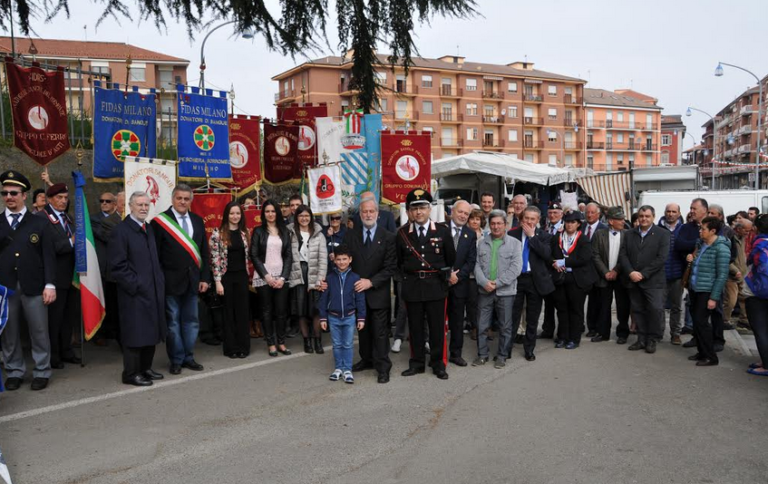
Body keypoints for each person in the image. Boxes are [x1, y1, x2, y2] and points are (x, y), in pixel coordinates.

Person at [0, 170, 56, 391]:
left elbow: (49, 257)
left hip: (34, 285)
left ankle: (42, 371)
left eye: (14, 192)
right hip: (5, 288)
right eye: (5, 193)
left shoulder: (39, 223)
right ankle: (14, 370)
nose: (9, 197)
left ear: (24, 195)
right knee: (9, 332)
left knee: (39, 330)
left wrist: (50, 284)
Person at [397, 188, 456, 380]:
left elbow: (450, 258)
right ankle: (417, 363)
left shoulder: (442, 231)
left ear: (429, 209)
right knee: (415, 328)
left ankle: (438, 364)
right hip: (413, 286)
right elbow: (399, 262)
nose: (419, 212)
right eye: (414, 208)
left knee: (437, 327)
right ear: (410, 211)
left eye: (422, 207)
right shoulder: (402, 233)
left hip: (436, 286)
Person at [152, 184, 210, 375]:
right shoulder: (160, 222)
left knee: (192, 321)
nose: (183, 202)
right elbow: (156, 257)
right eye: (179, 198)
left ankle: (189, 357)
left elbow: (203, 252)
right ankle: (176, 359)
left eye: (186, 199)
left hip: (193, 282)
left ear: (190, 200)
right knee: (173, 324)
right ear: (172, 199)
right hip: (170, 282)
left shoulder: (198, 221)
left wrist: (204, 278)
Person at [109, 191, 166, 387]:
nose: (143, 208)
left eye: (146, 204)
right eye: (139, 204)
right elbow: (117, 265)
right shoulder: (121, 231)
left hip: (152, 291)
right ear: (130, 206)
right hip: (133, 293)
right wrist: (136, 284)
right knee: (135, 333)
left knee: (150, 331)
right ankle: (131, 373)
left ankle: (145, 368)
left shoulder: (148, 228)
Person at [344, 197, 397, 383]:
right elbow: (345, 263)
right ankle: (366, 359)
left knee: (380, 332)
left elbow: (390, 267)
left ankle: (383, 366)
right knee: (363, 330)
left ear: (378, 213)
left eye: (371, 211)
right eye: (364, 211)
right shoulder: (351, 235)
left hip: (378, 292)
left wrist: (370, 282)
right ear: (360, 214)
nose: (368, 214)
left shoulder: (388, 237)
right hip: (357, 292)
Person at [38, 182, 81, 368]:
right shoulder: (41, 218)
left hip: (72, 276)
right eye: (59, 198)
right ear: (49, 199)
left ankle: (66, 351)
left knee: (68, 318)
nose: (63, 201)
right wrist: (71, 242)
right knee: (54, 320)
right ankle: (53, 355)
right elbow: (47, 249)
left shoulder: (68, 218)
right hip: (54, 277)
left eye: (65, 198)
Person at [472, 210, 522, 367]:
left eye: (499, 223)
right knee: (481, 325)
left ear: (505, 225)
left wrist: (497, 283)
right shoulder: (482, 242)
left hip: (505, 292)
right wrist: (483, 282)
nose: (496, 226)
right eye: (493, 223)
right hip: (484, 290)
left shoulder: (515, 244)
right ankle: (482, 354)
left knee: (505, 326)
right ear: (489, 225)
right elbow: (476, 265)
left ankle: (502, 355)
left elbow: (516, 268)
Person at [620, 205, 671, 354]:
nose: (644, 219)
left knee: (655, 310)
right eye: (641, 216)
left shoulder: (663, 234)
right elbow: (623, 255)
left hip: (653, 281)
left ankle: (652, 340)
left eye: (647, 216)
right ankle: (641, 339)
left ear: (653, 217)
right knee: (638, 310)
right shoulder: (629, 234)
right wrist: (630, 272)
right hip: (633, 280)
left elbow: (661, 258)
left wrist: (642, 274)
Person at [508, 205, 553, 361]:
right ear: (521, 218)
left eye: (532, 219)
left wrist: (532, 237)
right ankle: (506, 349)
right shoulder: (512, 233)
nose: (528, 221)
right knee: (512, 316)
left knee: (532, 318)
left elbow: (547, 255)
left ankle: (529, 349)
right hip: (516, 279)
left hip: (535, 281)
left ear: (538, 220)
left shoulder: (544, 236)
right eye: (526, 218)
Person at [318, 244, 366, 384]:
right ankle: (338, 368)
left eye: (345, 259)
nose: (342, 262)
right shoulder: (329, 278)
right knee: (337, 344)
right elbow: (323, 299)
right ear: (334, 260)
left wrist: (361, 317)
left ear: (350, 259)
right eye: (339, 259)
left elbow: (360, 299)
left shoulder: (355, 277)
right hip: (333, 317)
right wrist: (323, 317)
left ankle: (347, 370)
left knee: (348, 344)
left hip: (350, 317)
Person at [250, 199, 293, 357]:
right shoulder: (258, 231)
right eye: (267, 211)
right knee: (267, 311)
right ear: (263, 214)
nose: (270, 214)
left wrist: (282, 277)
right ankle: (270, 343)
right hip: (264, 277)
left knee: (281, 311)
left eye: (273, 211)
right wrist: (267, 276)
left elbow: (288, 256)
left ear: (277, 213)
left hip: (281, 277)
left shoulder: (284, 231)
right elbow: (253, 255)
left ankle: (281, 342)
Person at [210, 202, 252, 359]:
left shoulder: (244, 232)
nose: (235, 216)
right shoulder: (218, 234)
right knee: (228, 312)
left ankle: (243, 346)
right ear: (226, 215)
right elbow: (215, 259)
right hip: (226, 277)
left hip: (242, 276)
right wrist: (218, 281)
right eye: (232, 213)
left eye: (238, 214)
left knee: (242, 312)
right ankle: (231, 347)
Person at [550, 210, 597, 349]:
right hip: (560, 278)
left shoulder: (583, 239)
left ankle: (574, 338)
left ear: (578, 224)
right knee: (562, 309)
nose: (569, 225)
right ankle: (562, 337)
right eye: (567, 222)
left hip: (577, 279)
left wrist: (564, 262)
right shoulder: (557, 237)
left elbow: (584, 258)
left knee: (575, 310)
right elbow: (550, 254)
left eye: (573, 222)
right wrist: (553, 262)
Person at [686, 216, 730, 367]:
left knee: (701, 322)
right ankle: (702, 351)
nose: (700, 231)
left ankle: (711, 357)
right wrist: (691, 258)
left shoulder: (721, 248)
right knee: (697, 323)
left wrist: (714, 297)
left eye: (703, 229)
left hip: (707, 291)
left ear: (713, 231)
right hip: (695, 288)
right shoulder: (701, 244)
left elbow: (722, 275)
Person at [287, 205, 328, 354]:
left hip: (315, 274)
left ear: (311, 217)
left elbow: (323, 260)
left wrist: (320, 280)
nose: (304, 219)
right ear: (296, 217)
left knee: (316, 310)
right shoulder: (290, 233)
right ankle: (306, 341)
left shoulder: (319, 234)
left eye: (307, 216)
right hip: (298, 275)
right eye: (301, 216)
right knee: (301, 311)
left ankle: (317, 340)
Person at [444, 200, 477, 367]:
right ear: (452, 211)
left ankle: (456, 354)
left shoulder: (470, 234)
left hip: (459, 284)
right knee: (437, 320)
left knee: (457, 322)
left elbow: (471, 261)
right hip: (440, 282)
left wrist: (457, 276)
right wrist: (446, 274)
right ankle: (437, 354)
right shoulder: (440, 228)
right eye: (461, 212)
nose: (463, 216)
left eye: (466, 213)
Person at [591, 207, 631, 344]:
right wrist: (605, 272)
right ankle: (603, 333)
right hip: (604, 277)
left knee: (623, 306)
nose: (623, 221)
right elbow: (595, 255)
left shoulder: (628, 234)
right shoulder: (599, 234)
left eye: (623, 218)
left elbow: (627, 256)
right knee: (603, 306)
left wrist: (616, 271)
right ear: (611, 221)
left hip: (621, 277)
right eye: (620, 219)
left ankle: (622, 333)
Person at [91, 191, 122, 345]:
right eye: (101, 201)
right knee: (101, 301)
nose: (104, 203)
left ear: (115, 204)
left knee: (115, 302)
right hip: (102, 266)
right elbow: (106, 237)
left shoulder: (121, 218)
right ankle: (101, 333)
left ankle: (114, 332)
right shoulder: (95, 219)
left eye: (108, 201)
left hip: (116, 267)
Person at [744, 214, 768, 376]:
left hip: (758, 293)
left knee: (760, 330)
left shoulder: (759, 244)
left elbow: (754, 266)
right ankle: (764, 360)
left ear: (756, 228)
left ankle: (765, 366)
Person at [658, 203, 685, 345]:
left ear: (679, 214)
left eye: (674, 211)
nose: (671, 214)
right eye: (668, 211)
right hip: (661, 274)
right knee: (659, 306)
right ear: (664, 212)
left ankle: (675, 333)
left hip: (678, 274)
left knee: (676, 306)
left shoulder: (684, 229)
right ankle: (659, 333)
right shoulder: (657, 229)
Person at [539, 202, 564, 339]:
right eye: (550, 213)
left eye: (555, 213)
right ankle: (547, 330)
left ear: (561, 214)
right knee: (548, 303)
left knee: (560, 303)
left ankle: (561, 332)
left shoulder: (566, 228)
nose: (552, 215)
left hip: (559, 269)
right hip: (545, 271)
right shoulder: (544, 228)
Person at [583, 202, 607, 338]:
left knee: (597, 301)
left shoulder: (603, 229)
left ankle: (596, 327)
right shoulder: (580, 227)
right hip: (582, 271)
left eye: (592, 212)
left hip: (597, 271)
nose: (589, 215)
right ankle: (588, 326)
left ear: (598, 214)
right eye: (587, 212)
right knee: (583, 302)